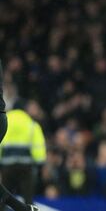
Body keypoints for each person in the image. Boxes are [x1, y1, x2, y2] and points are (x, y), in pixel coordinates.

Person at [0, 60, 40, 211]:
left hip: (7, 164)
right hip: (26, 165)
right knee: (27, 194)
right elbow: (39, 147)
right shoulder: (31, 123)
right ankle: (24, 208)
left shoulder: (12, 117)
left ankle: (18, 207)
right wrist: (39, 164)